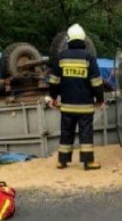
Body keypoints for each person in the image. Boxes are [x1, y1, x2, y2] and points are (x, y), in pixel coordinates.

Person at [45, 24, 105, 170]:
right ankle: (88, 162)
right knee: (86, 134)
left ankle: (62, 161)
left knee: (66, 133)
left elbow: (54, 80)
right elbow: (96, 81)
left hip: (67, 106)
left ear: (68, 40)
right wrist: (100, 99)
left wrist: (53, 97)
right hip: (85, 106)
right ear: (83, 39)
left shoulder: (61, 57)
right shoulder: (88, 57)